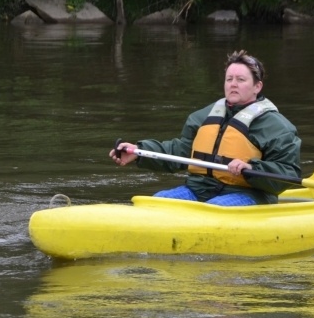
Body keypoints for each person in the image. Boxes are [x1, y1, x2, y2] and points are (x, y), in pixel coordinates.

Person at [110, 50, 302, 206]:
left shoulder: (278, 127)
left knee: (214, 208)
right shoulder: (204, 116)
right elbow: (180, 151)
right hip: (198, 189)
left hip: (249, 194)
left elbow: (288, 174)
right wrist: (139, 152)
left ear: (257, 86)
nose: (233, 84)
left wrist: (251, 167)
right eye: (229, 79)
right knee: (158, 202)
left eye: (240, 80)